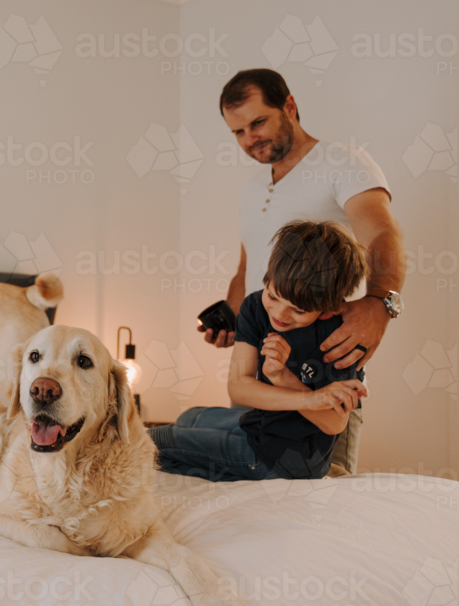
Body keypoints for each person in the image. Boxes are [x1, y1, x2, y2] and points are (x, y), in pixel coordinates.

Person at [201, 68, 405, 476]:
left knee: (321, 498)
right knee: (249, 497)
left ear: (289, 106)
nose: (249, 138)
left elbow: (382, 233)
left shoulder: (341, 162)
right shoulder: (253, 189)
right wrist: (234, 316)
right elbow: (249, 267)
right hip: (259, 375)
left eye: (258, 122)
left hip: (319, 370)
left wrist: (381, 302)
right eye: (238, 132)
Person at [154, 221, 369, 481]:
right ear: (268, 278)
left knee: (155, 438)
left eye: (298, 311)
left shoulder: (340, 336)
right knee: (190, 417)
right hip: (262, 424)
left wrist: (283, 379)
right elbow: (238, 386)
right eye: (273, 295)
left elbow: (335, 423)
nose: (279, 314)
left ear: (329, 308)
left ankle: (238, 472)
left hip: (289, 459)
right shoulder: (256, 306)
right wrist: (308, 398)